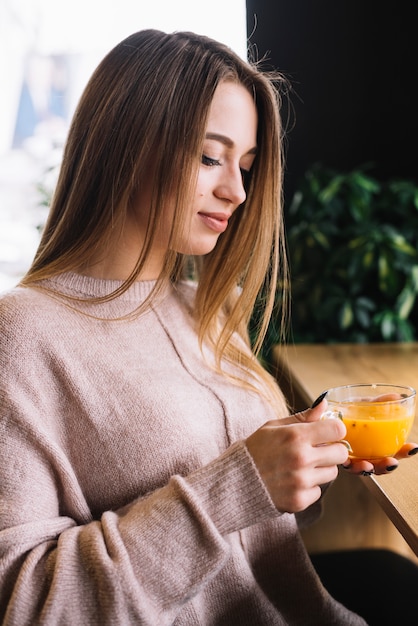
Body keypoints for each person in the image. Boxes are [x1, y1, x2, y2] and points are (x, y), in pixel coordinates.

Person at [0, 29, 417, 626]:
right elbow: (27, 606)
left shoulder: (207, 307)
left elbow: (251, 533)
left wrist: (307, 465)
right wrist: (240, 485)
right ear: (125, 145)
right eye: (208, 156)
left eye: (246, 165)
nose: (237, 191)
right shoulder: (22, 337)